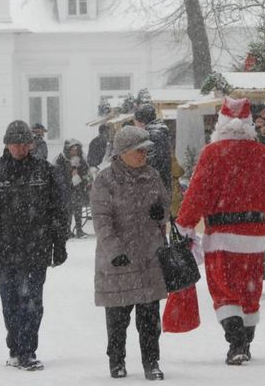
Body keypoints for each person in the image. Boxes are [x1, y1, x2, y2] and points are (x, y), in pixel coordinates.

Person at [175, 97, 265, 365]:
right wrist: (264, 211)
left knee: (224, 289)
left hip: (222, 234)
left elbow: (197, 193)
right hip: (254, 235)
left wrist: (186, 222)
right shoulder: (262, 153)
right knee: (250, 289)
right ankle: (245, 341)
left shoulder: (212, 153)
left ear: (221, 125)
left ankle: (236, 341)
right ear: (249, 125)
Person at [0, 120, 68, 371]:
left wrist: (59, 242)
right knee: (11, 301)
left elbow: (58, 209)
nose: (21, 148)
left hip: (36, 248)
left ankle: (27, 350)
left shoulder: (44, 172)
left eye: (25, 143)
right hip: (5, 250)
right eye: (16, 144)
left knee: (32, 301)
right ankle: (15, 347)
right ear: (7, 144)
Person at [91, 125, 170, 380]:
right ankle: (116, 360)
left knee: (149, 318)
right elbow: (102, 221)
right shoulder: (105, 180)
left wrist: (162, 213)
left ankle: (152, 362)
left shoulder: (153, 175)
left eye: (146, 150)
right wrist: (115, 251)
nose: (144, 155)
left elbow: (165, 206)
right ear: (123, 152)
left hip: (149, 256)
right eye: (139, 151)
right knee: (118, 317)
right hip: (119, 260)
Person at [55, 139, 91, 238]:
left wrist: (86, 179)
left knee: (78, 208)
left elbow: (87, 172)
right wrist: (69, 178)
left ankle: (79, 230)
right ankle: (67, 230)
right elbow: (58, 176)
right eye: (72, 150)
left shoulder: (81, 160)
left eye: (76, 149)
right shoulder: (61, 160)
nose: (75, 152)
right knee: (68, 210)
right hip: (66, 190)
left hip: (78, 189)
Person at [133, 105, 172, 195]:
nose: (135, 126)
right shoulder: (158, 133)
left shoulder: (152, 137)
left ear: (142, 122)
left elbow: (150, 164)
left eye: (135, 122)